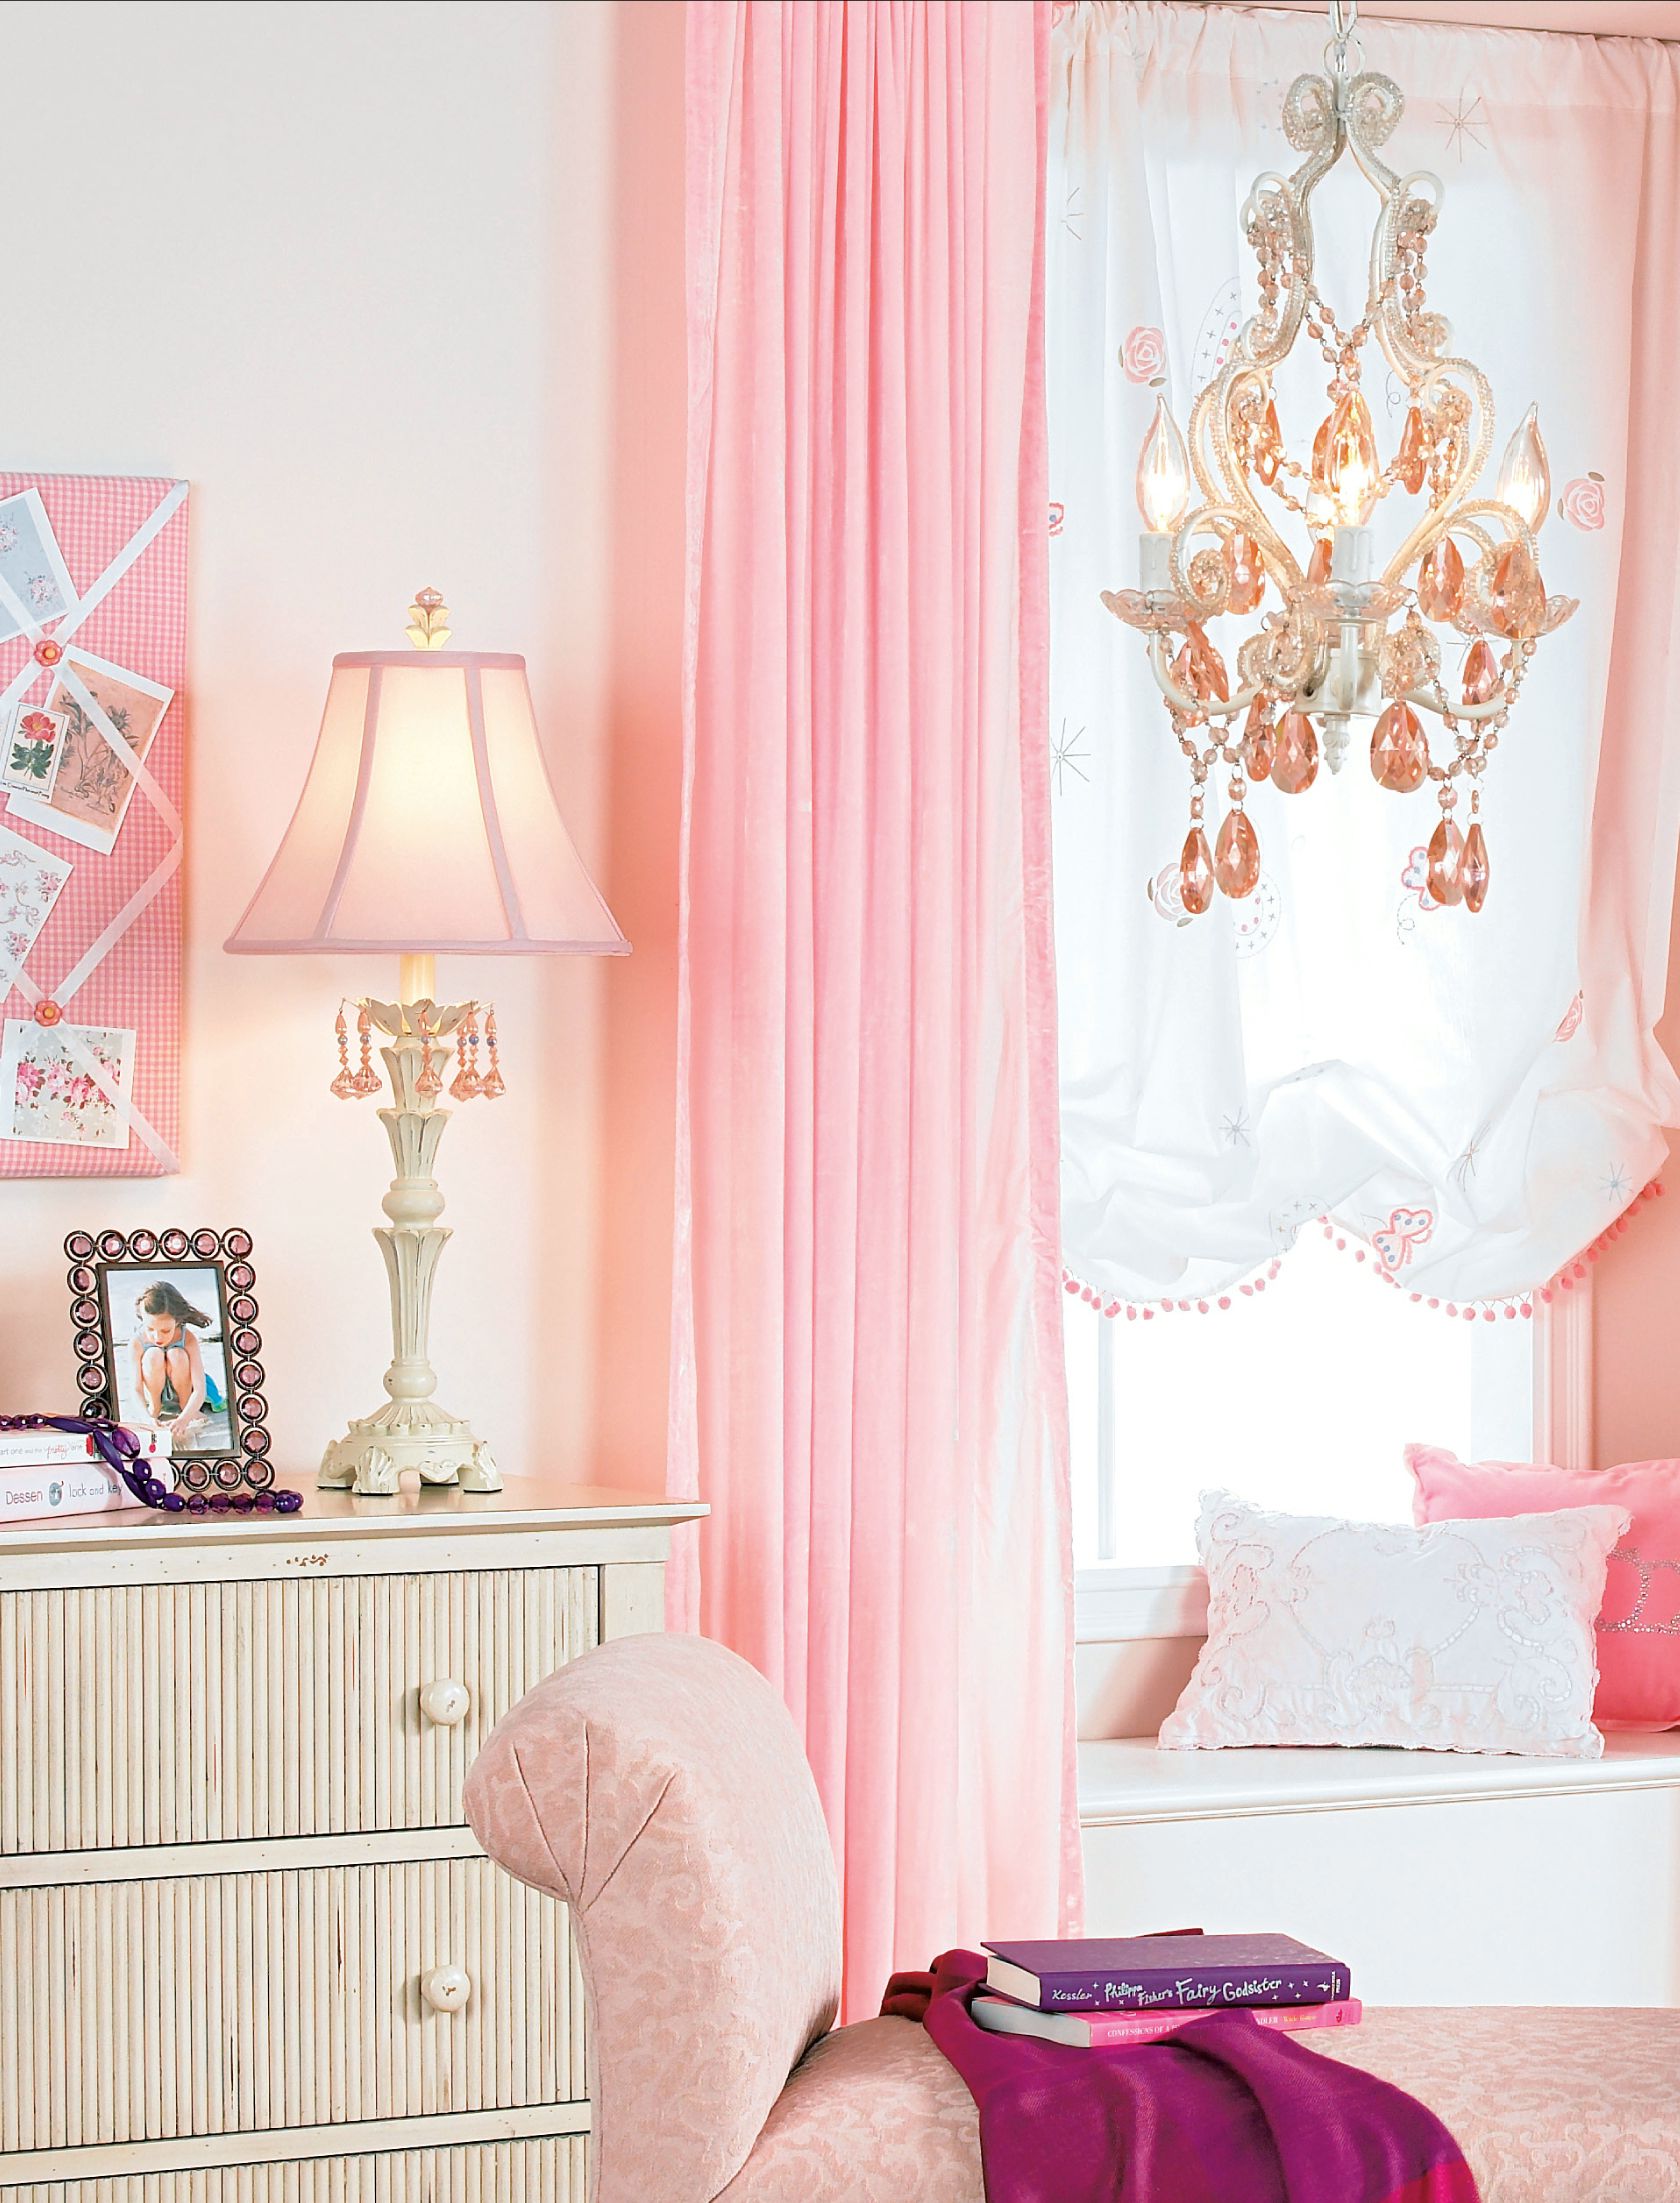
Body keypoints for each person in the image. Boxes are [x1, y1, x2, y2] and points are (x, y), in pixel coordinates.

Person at [129, 1280, 225, 1446]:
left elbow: (200, 1388)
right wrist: (146, 1418)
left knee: (177, 1354)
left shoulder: (187, 1339)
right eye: (150, 1329)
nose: (157, 1337)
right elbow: (135, 1388)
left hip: (184, 1388)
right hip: (154, 1390)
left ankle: (184, 1405)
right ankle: (155, 1408)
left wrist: (184, 1419)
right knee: (153, 1354)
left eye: (165, 1330)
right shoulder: (137, 1342)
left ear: (177, 1321)